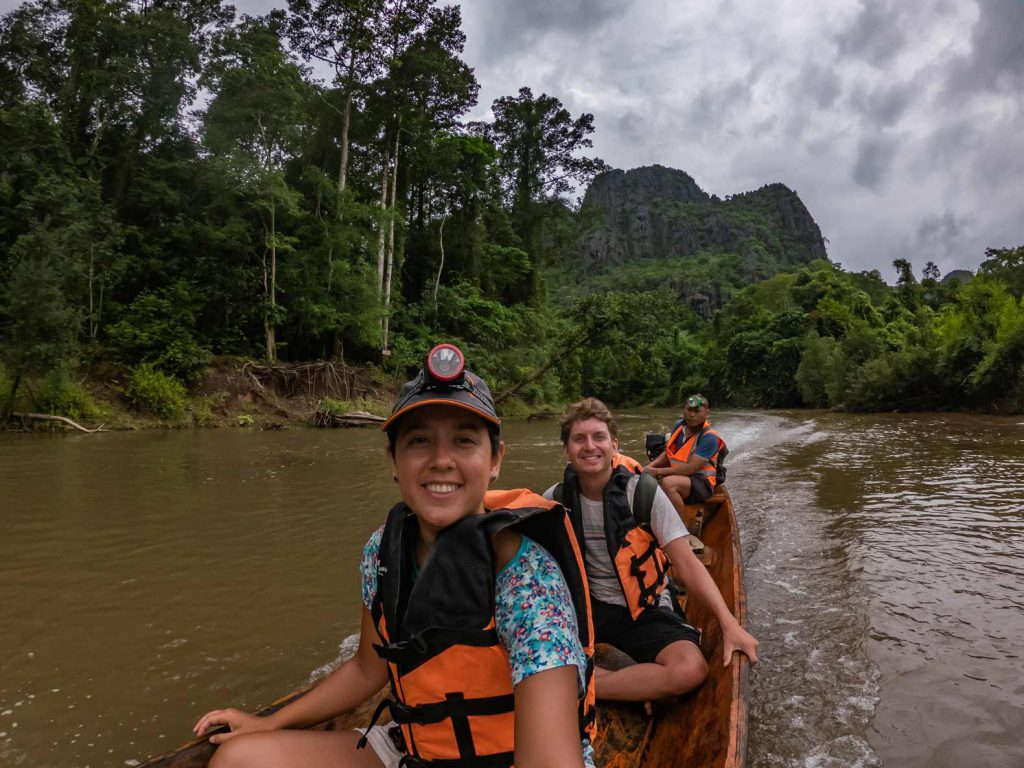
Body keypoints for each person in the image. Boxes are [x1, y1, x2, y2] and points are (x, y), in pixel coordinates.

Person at [194, 343, 596, 768]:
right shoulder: (382, 551)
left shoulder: (527, 578)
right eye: (420, 441)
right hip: (415, 748)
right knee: (239, 759)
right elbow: (370, 668)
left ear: (495, 459)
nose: (441, 461)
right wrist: (270, 722)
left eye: (463, 441)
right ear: (393, 459)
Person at [545, 397, 757, 704]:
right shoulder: (555, 500)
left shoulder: (643, 494)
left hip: (644, 606)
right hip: (589, 608)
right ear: (567, 449)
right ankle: (627, 684)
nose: (590, 446)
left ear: (614, 445)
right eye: (579, 439)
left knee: (691, 669)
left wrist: (728, 623)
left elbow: (686, 563)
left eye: (599, 437)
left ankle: (587, 685)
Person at [645, 394, 726, 517]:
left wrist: (656, 472)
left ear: (707, 413)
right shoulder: (679, 426)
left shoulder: (710, 437)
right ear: (684, 409)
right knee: (644, 477)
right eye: (689, 410)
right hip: (679, 475)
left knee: (667, 484)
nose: (692, 415)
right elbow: (668, 454)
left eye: (697, 411)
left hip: (701, 483)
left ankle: (680, 527)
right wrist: (647, 468)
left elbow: (689, 469)